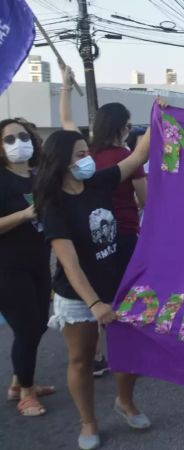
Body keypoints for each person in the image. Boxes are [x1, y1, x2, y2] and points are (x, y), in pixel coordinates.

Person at [35, 127, 152, 449]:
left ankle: (125, 403)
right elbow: (69, 264)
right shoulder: (54, 205)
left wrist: (160, 116)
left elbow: (139, 156)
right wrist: (96, 304)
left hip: (118, 286)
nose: (89, 159)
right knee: (81, 360)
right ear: (61, 161)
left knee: (129, 354)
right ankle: (88, 422)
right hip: (78, 297)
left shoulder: (98, 182)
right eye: (81, 155)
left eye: (88, 152)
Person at [60, 66, 149, 377]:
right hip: (122, 234)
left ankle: (95, 355)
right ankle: (121, 355)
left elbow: (67, 123)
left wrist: (65, 89)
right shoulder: (124, 159)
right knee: (120, 298)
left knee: (93, 292)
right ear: (123, 128)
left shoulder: (83, 154)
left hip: (87, 236)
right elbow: (145, 198)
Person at [0, 118, 55, 417]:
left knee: (38, 326)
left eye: (23, 136)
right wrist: (23, 215)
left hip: (38, 263)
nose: (18, 143)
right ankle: (26, 394)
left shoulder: (37, 177)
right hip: (8, 269)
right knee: (26, 330)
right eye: (9, 139)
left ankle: (19, 382)